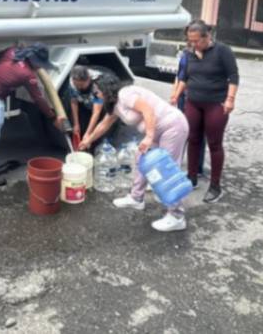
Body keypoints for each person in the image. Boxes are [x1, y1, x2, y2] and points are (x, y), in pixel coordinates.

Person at [79, 75, 190, 232]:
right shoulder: (115, 105)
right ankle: (136, 198)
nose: (96, 95)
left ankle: (177, 216)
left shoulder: (125, 94)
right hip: (157, 131)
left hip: (172, 126)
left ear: (106, 89)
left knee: (167, 170)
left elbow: (148, 111)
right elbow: (104, 124)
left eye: (97, 91)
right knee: (140, 158)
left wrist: (149, 136)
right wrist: (88, 140)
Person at [0, 43, 66, 186]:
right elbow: (39, 99)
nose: (39, 67)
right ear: (34, 61)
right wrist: (52, 117)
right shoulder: (27, 75)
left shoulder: (12, 52)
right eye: (40, 64)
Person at [170, 20, 239, 204]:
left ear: (207, 36)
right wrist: (176, 96)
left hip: (216, 104)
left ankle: (215, 186)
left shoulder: (222, 51)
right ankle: (191, 177)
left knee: (215, 144)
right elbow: (184, 77)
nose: (193, 44)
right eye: (190, 41)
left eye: (196, 41)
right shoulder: (189, 53)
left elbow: (233, 76)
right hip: (193, 102)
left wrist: (230, 99)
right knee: (193, 139)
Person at [176, 40, 207, 180]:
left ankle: (195, 169)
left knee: (195, 133)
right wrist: (174, 94)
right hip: (185, 97)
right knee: (183, 131)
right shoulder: (186, 54)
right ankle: (179, 166)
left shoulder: (206, 56)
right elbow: (179, 77)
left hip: (196, 98)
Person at [67, 65, 110, 152]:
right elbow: (74, 101)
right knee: (79, 128)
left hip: (103, 107)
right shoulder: (72, 82)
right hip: (86, 103)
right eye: (77, 85)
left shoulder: (98, 86)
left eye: (82, 85)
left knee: (96, 132)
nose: (79, 87)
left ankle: (95, 149)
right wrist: (76, 124)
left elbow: (96, 112)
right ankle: (82, 147)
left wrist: (88, 133)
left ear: (88, 79)